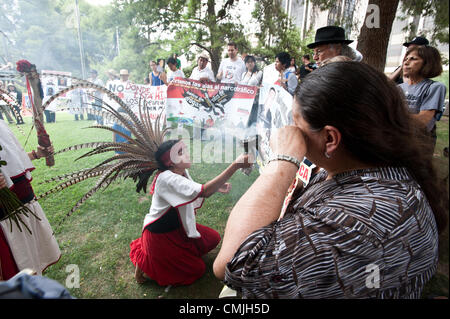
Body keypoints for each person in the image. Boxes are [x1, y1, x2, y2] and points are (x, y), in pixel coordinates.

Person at [213, 61, 447, 299]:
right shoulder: (369, 166)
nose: (291, 131)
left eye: (297, 124)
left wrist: (282, 161)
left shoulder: (357, 222)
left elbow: (233, 263)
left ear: (331, 138)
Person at [129, 139, 252, 286]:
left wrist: (217, 186)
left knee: (213, 238)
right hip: (159, 237)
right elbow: (204, 191)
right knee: (197, 269)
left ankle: (176, 255)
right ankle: (144, 260)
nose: (187, 154)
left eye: (185, 150)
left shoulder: (180, 171)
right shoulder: (166, 179)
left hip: (179, 229)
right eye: (181, 153)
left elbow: (192, 188)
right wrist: (235, 165)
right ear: (170, 162)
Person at [0, 120, 61, 281]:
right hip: (4, 216)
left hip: (24, 203)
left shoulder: (1, 123)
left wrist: (36, 155)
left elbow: (12, 159)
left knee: (32, 257)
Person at [398, 45, 446, 155]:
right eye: (406, 59)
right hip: (399, 139)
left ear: (427, 63)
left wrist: (390, 117)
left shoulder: (435, 87)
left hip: (419, 144)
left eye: (413, 59)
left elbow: (423, 121)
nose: (406, 62)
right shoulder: (398, 88)